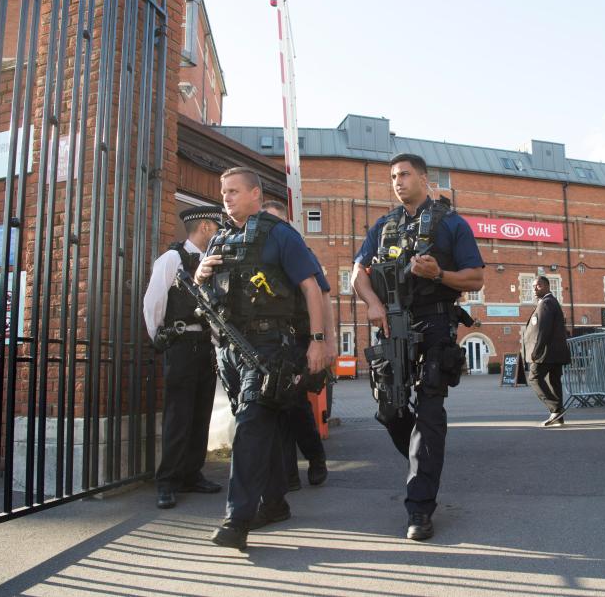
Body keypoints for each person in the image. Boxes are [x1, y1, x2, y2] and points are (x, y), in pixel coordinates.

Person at [194, 167, 335, 550]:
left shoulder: (279, 234)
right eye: (223, 192)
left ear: (256, 194)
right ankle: (273, 504)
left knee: (252, 426)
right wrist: (199, 274)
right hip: (229, 349)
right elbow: (203, 296)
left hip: (270, 347)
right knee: (265, 427)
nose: (226, 197)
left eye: (234, 191)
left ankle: (236, 520)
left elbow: (311, 286)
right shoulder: (219, 239)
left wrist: (319, 341)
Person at [352, 153, 484, 541]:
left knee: (428, 412)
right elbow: (358, 272)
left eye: (405, 174)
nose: (398, 181)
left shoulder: (451, 223)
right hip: (392, 325)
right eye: (393, 176)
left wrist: (439, 274)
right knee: (390, 411)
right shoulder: (383, 225)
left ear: (424, 179)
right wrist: (372, 304)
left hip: (436, 323)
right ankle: (423, 463)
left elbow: (475, 277)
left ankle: (420, 508)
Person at [143, 206, 223, 509]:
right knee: (178, 415)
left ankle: (192, 473)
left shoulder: (210, 262)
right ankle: (167, 481)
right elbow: (153, 303)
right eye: (216, 227)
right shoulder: (172, 259)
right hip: (180, 343)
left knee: (201, 413)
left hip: (204, 345)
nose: (219, 233)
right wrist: (160, 338)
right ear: (204, 227)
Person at [260, 199, 336, 490]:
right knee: (274, 404)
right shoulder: (259, 253)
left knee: (293, 404)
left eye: (277, 222)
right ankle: (288, 474)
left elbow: (323, 296)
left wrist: (327, 341)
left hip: (300, 338)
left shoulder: (299, 250)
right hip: (270, 340)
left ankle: (316, 458)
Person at [521, 275, 570, 428]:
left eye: (538, 285)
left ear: (548, 286)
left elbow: (542, 329)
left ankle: (556, 409)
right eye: (534, 286)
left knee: (534, 378)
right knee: (555, 382)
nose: (535, 289)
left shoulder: (547, 303)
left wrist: (536, 350)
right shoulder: (550, 302)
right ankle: (558, 418)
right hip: (556, 352)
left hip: (546, 353)